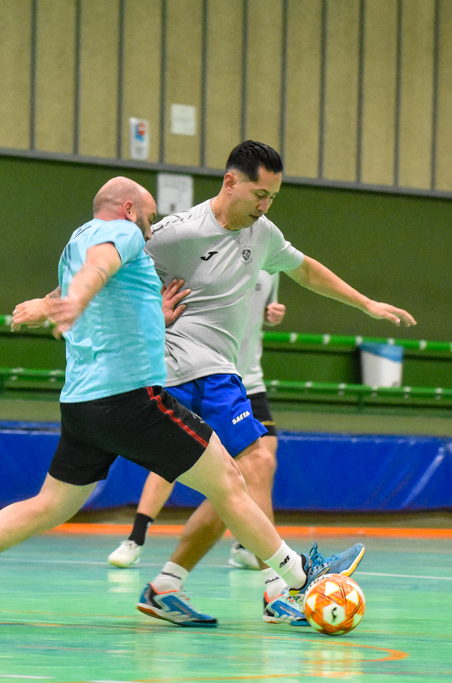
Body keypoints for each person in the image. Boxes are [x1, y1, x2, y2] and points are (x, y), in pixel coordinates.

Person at [0, 176, 364, 627]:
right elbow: (100, 267)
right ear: (129, 209)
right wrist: (75, 299)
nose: (151, 230)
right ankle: (299, 576)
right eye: (149, 218)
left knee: (50, 504)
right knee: (231, 478)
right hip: (131, 399)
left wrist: (147, 314)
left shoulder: (74, 243)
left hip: (82, 406)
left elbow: (105, 291)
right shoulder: (122, 232)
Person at [133, 141, 415, 627]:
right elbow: (112, 262)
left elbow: (304, 269)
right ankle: (280, 588)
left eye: (273, 198)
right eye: (259, 194)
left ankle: (166, 586)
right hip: (189, 369)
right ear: (230, 182)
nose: (265, 206)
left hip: (218, 371)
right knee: (257, 462)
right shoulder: (179, 233)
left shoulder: (261, 233)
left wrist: (366, 304)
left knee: (233, 482)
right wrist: (61, 301)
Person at [108, 270, 284, 571]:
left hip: (250, 381)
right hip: (202, 377)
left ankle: (251, 550)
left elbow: (265, 307)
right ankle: (136, 539)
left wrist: (272, 315)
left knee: (259, 465)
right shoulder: (203, 259)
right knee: (178, 458)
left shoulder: (272, 264)